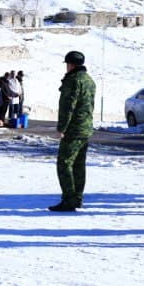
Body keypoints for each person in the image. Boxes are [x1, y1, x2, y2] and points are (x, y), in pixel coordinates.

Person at [51, 51, 95, 211]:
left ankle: (69, 199)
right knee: (78, 165)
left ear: (71, 65)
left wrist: (61, 127)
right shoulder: (89, 81)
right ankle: (77, 198)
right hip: (86, 128)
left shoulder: (73, 80)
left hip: (73, 129)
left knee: (64, 163)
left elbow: (68, 106)